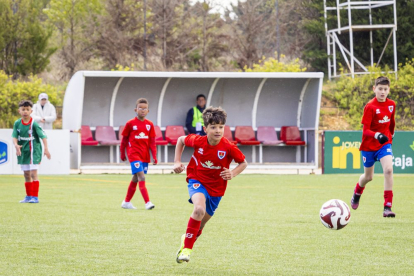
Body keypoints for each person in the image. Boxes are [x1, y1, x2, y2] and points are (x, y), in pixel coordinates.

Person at [173, 106, 248, 263]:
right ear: (205, 129)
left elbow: (243, 163)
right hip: (197, 180)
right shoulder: (198, 141)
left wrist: (232, 173)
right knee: (199, 209)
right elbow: (180, 140)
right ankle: (186, 250)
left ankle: (186, 239)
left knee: (200, 225)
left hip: (217, 189)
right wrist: (177, 162)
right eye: (213, 127)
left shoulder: (228, 147)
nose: (218, 130)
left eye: (221, 127)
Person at [350, 76, 396, 217]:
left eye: (385, 89)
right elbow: (366, 131)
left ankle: (387, 207)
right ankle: (357, 192)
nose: (382, 92)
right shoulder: (370, 106)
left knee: (388, 170)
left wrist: (391, 134)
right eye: (380, 89)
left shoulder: (391, 104)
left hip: (384, 144)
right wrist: (377, 135)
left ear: (388, 90)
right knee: (368, 177)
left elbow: (392, 122)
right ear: (374, 89)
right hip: (369, 146)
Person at [120, 98, 157, 210]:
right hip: (133, 154)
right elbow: (124, 140)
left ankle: (126, 202)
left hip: (144, 155)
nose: (142, 110)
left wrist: (154, 156)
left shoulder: (149, 125)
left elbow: (152, 142)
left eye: (145, 108)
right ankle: (147, 202)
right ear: (135, 109)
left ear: (148, 111)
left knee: (135, 178)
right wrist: (122, 153)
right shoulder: (130, 123)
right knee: (141, 176)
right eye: (140, 108)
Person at [12, 100, 51, 203]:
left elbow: (43, 136)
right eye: (23, 109)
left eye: (27, 109)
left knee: (33, 173)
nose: (25, 111)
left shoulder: (34, 123)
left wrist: (46, 149)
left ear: (31, 111)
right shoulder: (17, 123)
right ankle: (28, 196)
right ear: (19, 111)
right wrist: (16, 145)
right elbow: (14, 136)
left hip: (34, 151)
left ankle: (35, 197)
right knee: (26, 174)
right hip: (24, 151)